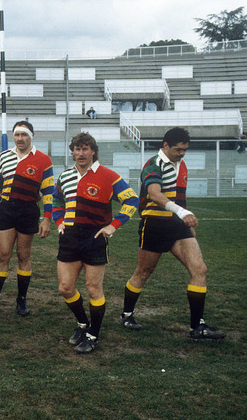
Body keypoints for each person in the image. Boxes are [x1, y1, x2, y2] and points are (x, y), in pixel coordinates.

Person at [120, 127, 225, 339]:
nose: (182, 153)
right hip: (155, 224)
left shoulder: (181, 164)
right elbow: (154, 194)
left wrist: (187, 222)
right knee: (143, 272)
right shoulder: (153, 164)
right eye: (178, 149)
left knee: (199, 269)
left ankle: (197, 326)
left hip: (178, 225)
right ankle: (127, 314)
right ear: (165, 145)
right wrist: (182, 212)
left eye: (185, 150)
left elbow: (179, 197)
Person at [53, 132, 138, 354]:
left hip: (95, 237)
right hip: (70, 237)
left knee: (93, 288)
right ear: (72, 151)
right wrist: (59, 221)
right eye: (77, 149)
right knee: (65, 287)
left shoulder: (108, 176)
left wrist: (114, 225)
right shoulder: (65, 177)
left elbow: (132, 199)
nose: (80, 153)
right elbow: (56, 200)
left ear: (93, 151)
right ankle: (83, 324)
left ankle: (93, 335)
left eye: (85, 149)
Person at [0, 121, 55, 317]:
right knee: (2, 255)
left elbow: (48, 192)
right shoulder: (4, 157)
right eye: (17, 134)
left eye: (24, 135)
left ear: (31, 136)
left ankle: (21, 301)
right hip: (6, 209)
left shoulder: (43, 160)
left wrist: (47, 219)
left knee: (23, 256)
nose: (20, 138)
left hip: (28, 210)